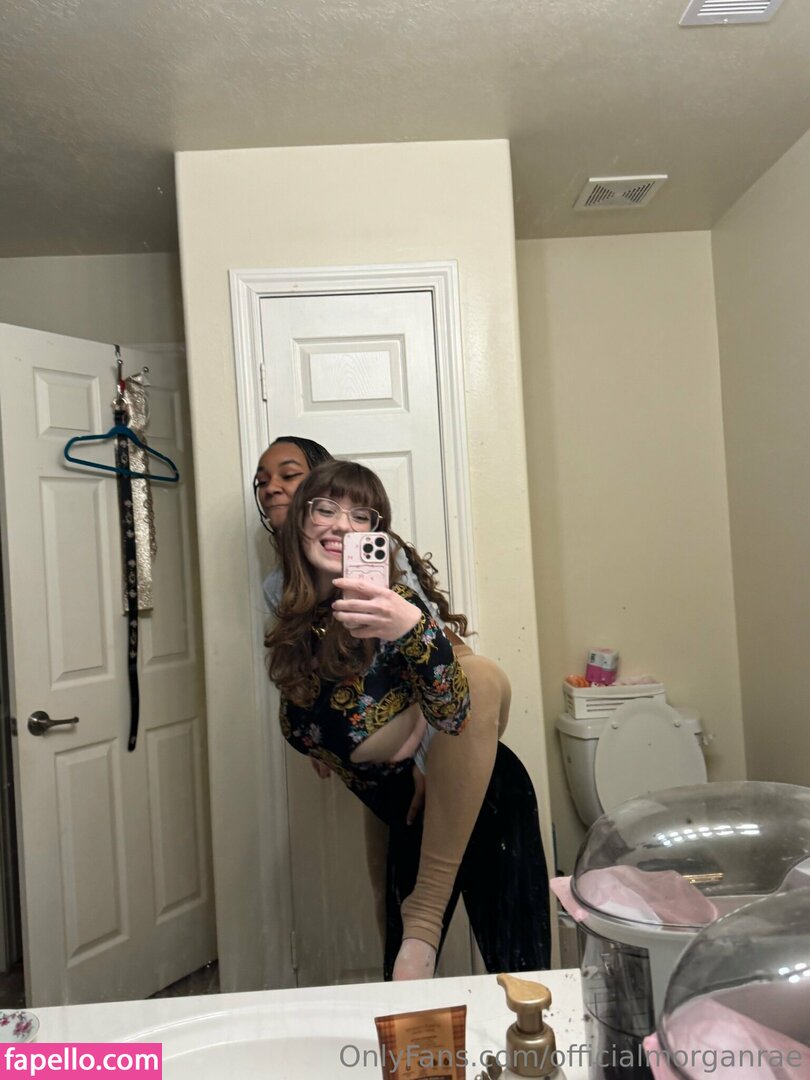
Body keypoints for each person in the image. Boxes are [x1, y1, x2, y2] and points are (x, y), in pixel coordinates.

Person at [264, 457, 551, 980]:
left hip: (477, 790)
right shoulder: (293, 613)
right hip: (397, 806)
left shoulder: (393, 607)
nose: (341, 527)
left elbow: (464, 698)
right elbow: (321, 715)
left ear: (377, 534)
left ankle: (429, 920)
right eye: (325, 510)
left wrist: (414, 633)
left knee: (517, 972)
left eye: (361, 517)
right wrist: (318, 746)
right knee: (401, 980)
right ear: (302, 518)